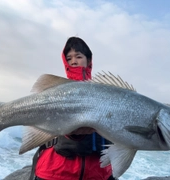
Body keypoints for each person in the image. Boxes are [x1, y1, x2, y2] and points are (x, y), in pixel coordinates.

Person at [30, 37, 115, 180]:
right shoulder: (56, 90)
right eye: (69, 58)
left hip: (97, 172)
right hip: (56, 170)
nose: (73, 61)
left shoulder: (104, 91)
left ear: (89, 60)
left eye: (78, 56)